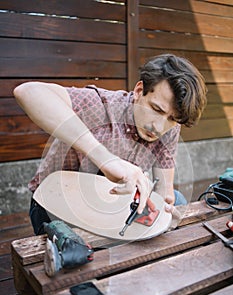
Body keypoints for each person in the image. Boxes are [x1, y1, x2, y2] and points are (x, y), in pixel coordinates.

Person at [14, 54, 207, 235]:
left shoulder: (170, 127)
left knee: (179, 203)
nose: (158, 126)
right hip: (56, 202)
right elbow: (28, 92)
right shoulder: (99, 105)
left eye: (173, 119)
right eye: (156, 109)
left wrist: (165, 210)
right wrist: (106, 159)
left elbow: (165, 191)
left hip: (113, 203)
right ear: (139, 91)